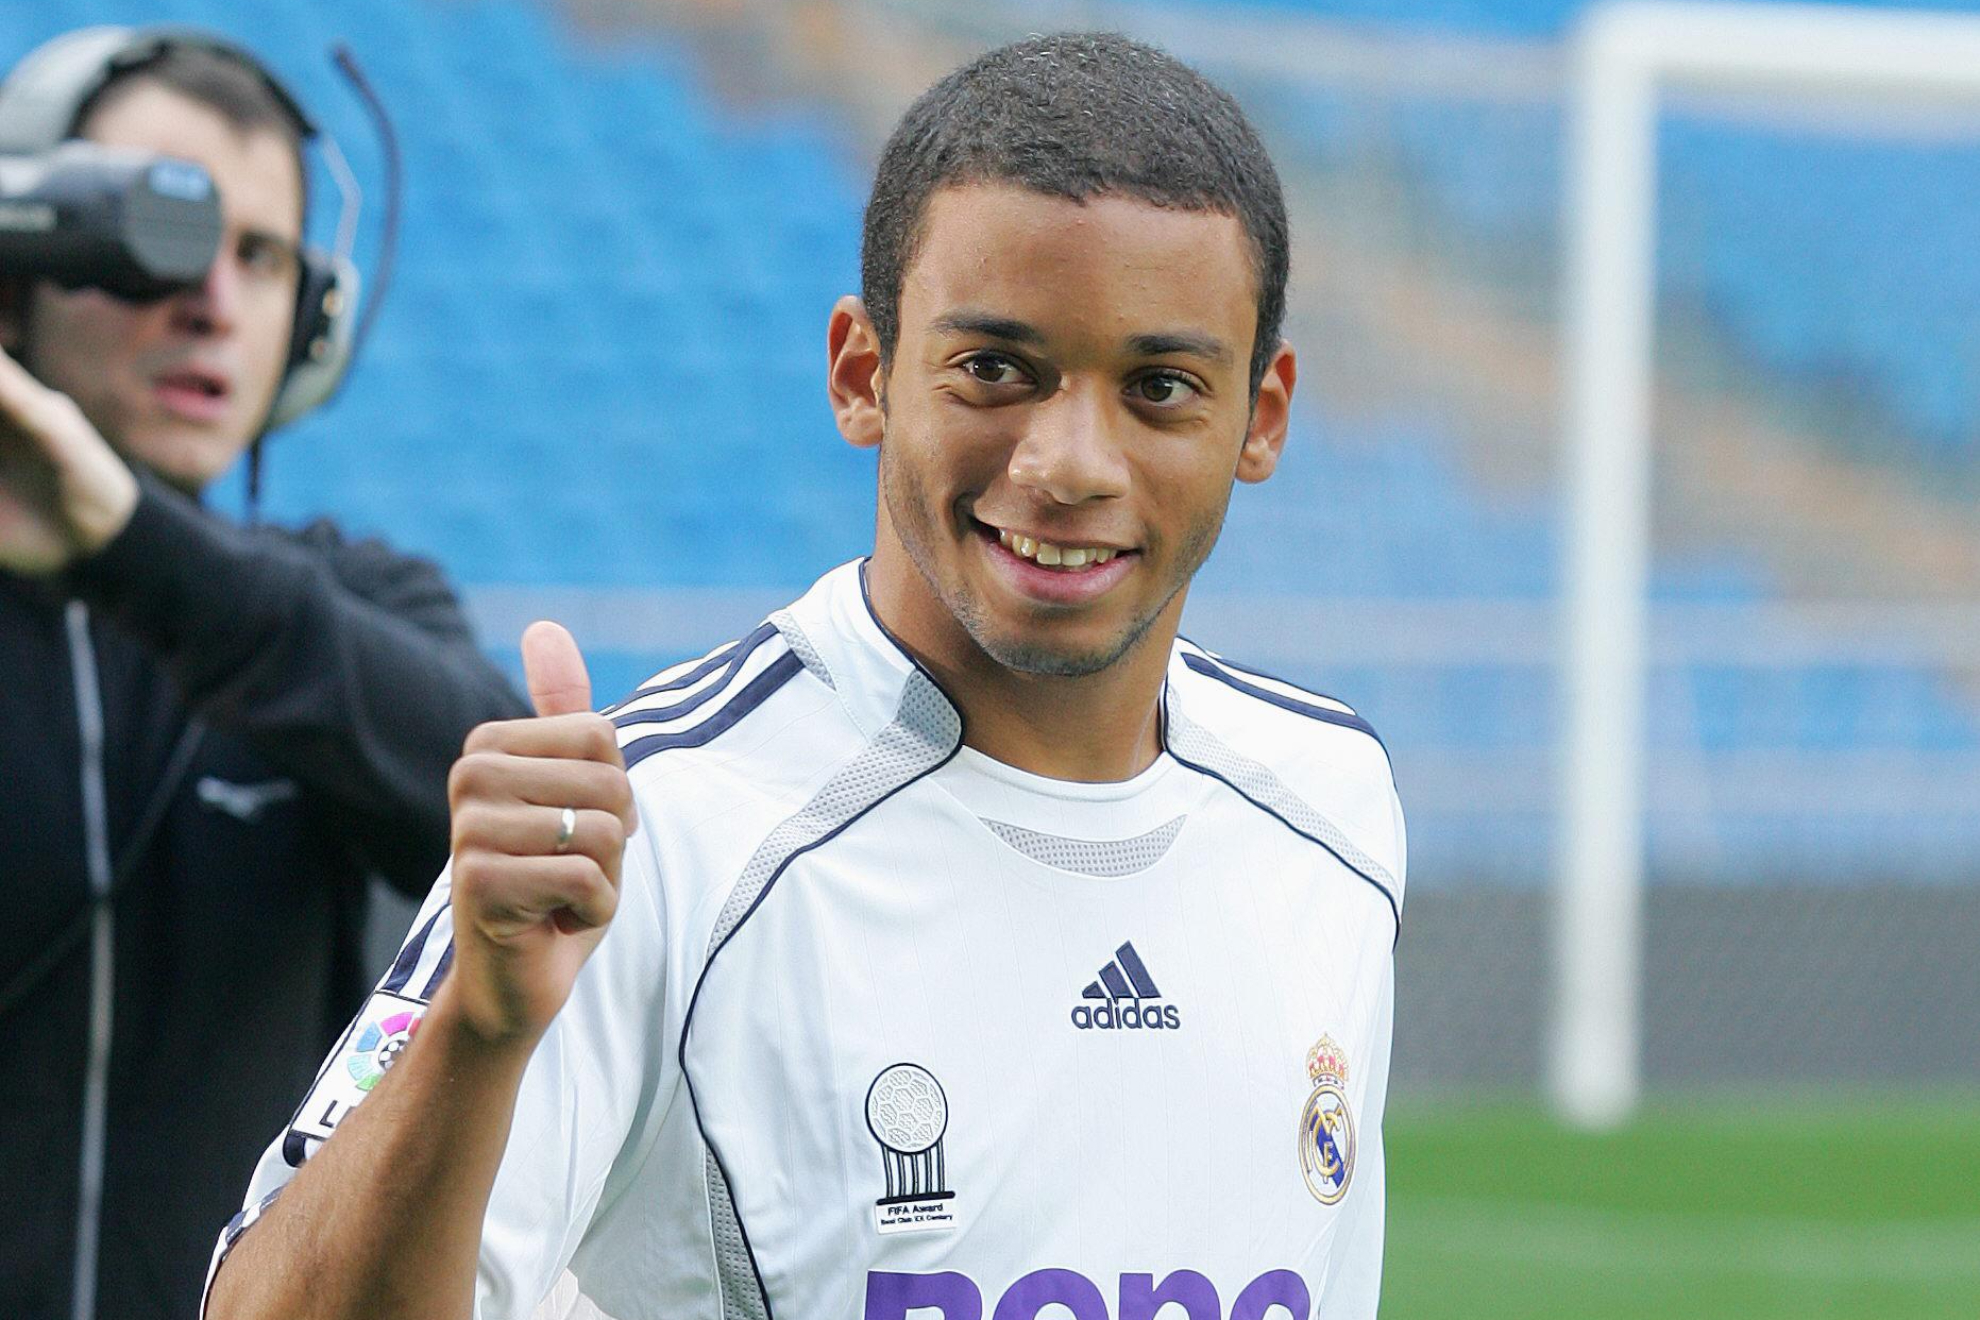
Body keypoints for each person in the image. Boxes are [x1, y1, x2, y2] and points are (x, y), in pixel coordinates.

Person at [206, 31, 1405, 1320]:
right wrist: (478, 1040)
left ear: (1261, 416)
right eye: (996, 369)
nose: (1070, 462)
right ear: (863, 373)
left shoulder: (1330, 808)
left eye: (1160, 387)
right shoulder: (654, 830)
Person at [0, 29, 528, 1320]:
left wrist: (133, 550)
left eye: (265, 257)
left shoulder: (348, 603)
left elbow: (489, 801)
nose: (213, 303)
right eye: (155, 236)